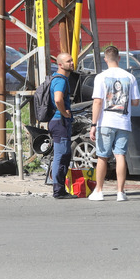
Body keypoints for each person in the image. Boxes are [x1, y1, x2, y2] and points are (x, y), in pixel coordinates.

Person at [88, 46, 140, 202]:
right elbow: (136, 102)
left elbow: (97, 102)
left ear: (105, 59)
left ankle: (99, 191)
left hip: (105, 122)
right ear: (119, 58)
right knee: (120, 156)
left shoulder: (101, 77)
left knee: (102, 157)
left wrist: (93, 124)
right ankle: (120, 192)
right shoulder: (130, 77)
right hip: (123, 122)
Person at [49, 52, 78, 199]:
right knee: (61, 156)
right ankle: (58, 191)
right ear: (60, 64)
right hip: (60, 122)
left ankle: (60, 189)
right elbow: (58, 99)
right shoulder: (60, 80)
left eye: (72, 60)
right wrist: (64, 113)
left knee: (64, 155)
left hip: (58, 122)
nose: (72, 63)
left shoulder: (58, 78)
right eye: (68, 61)